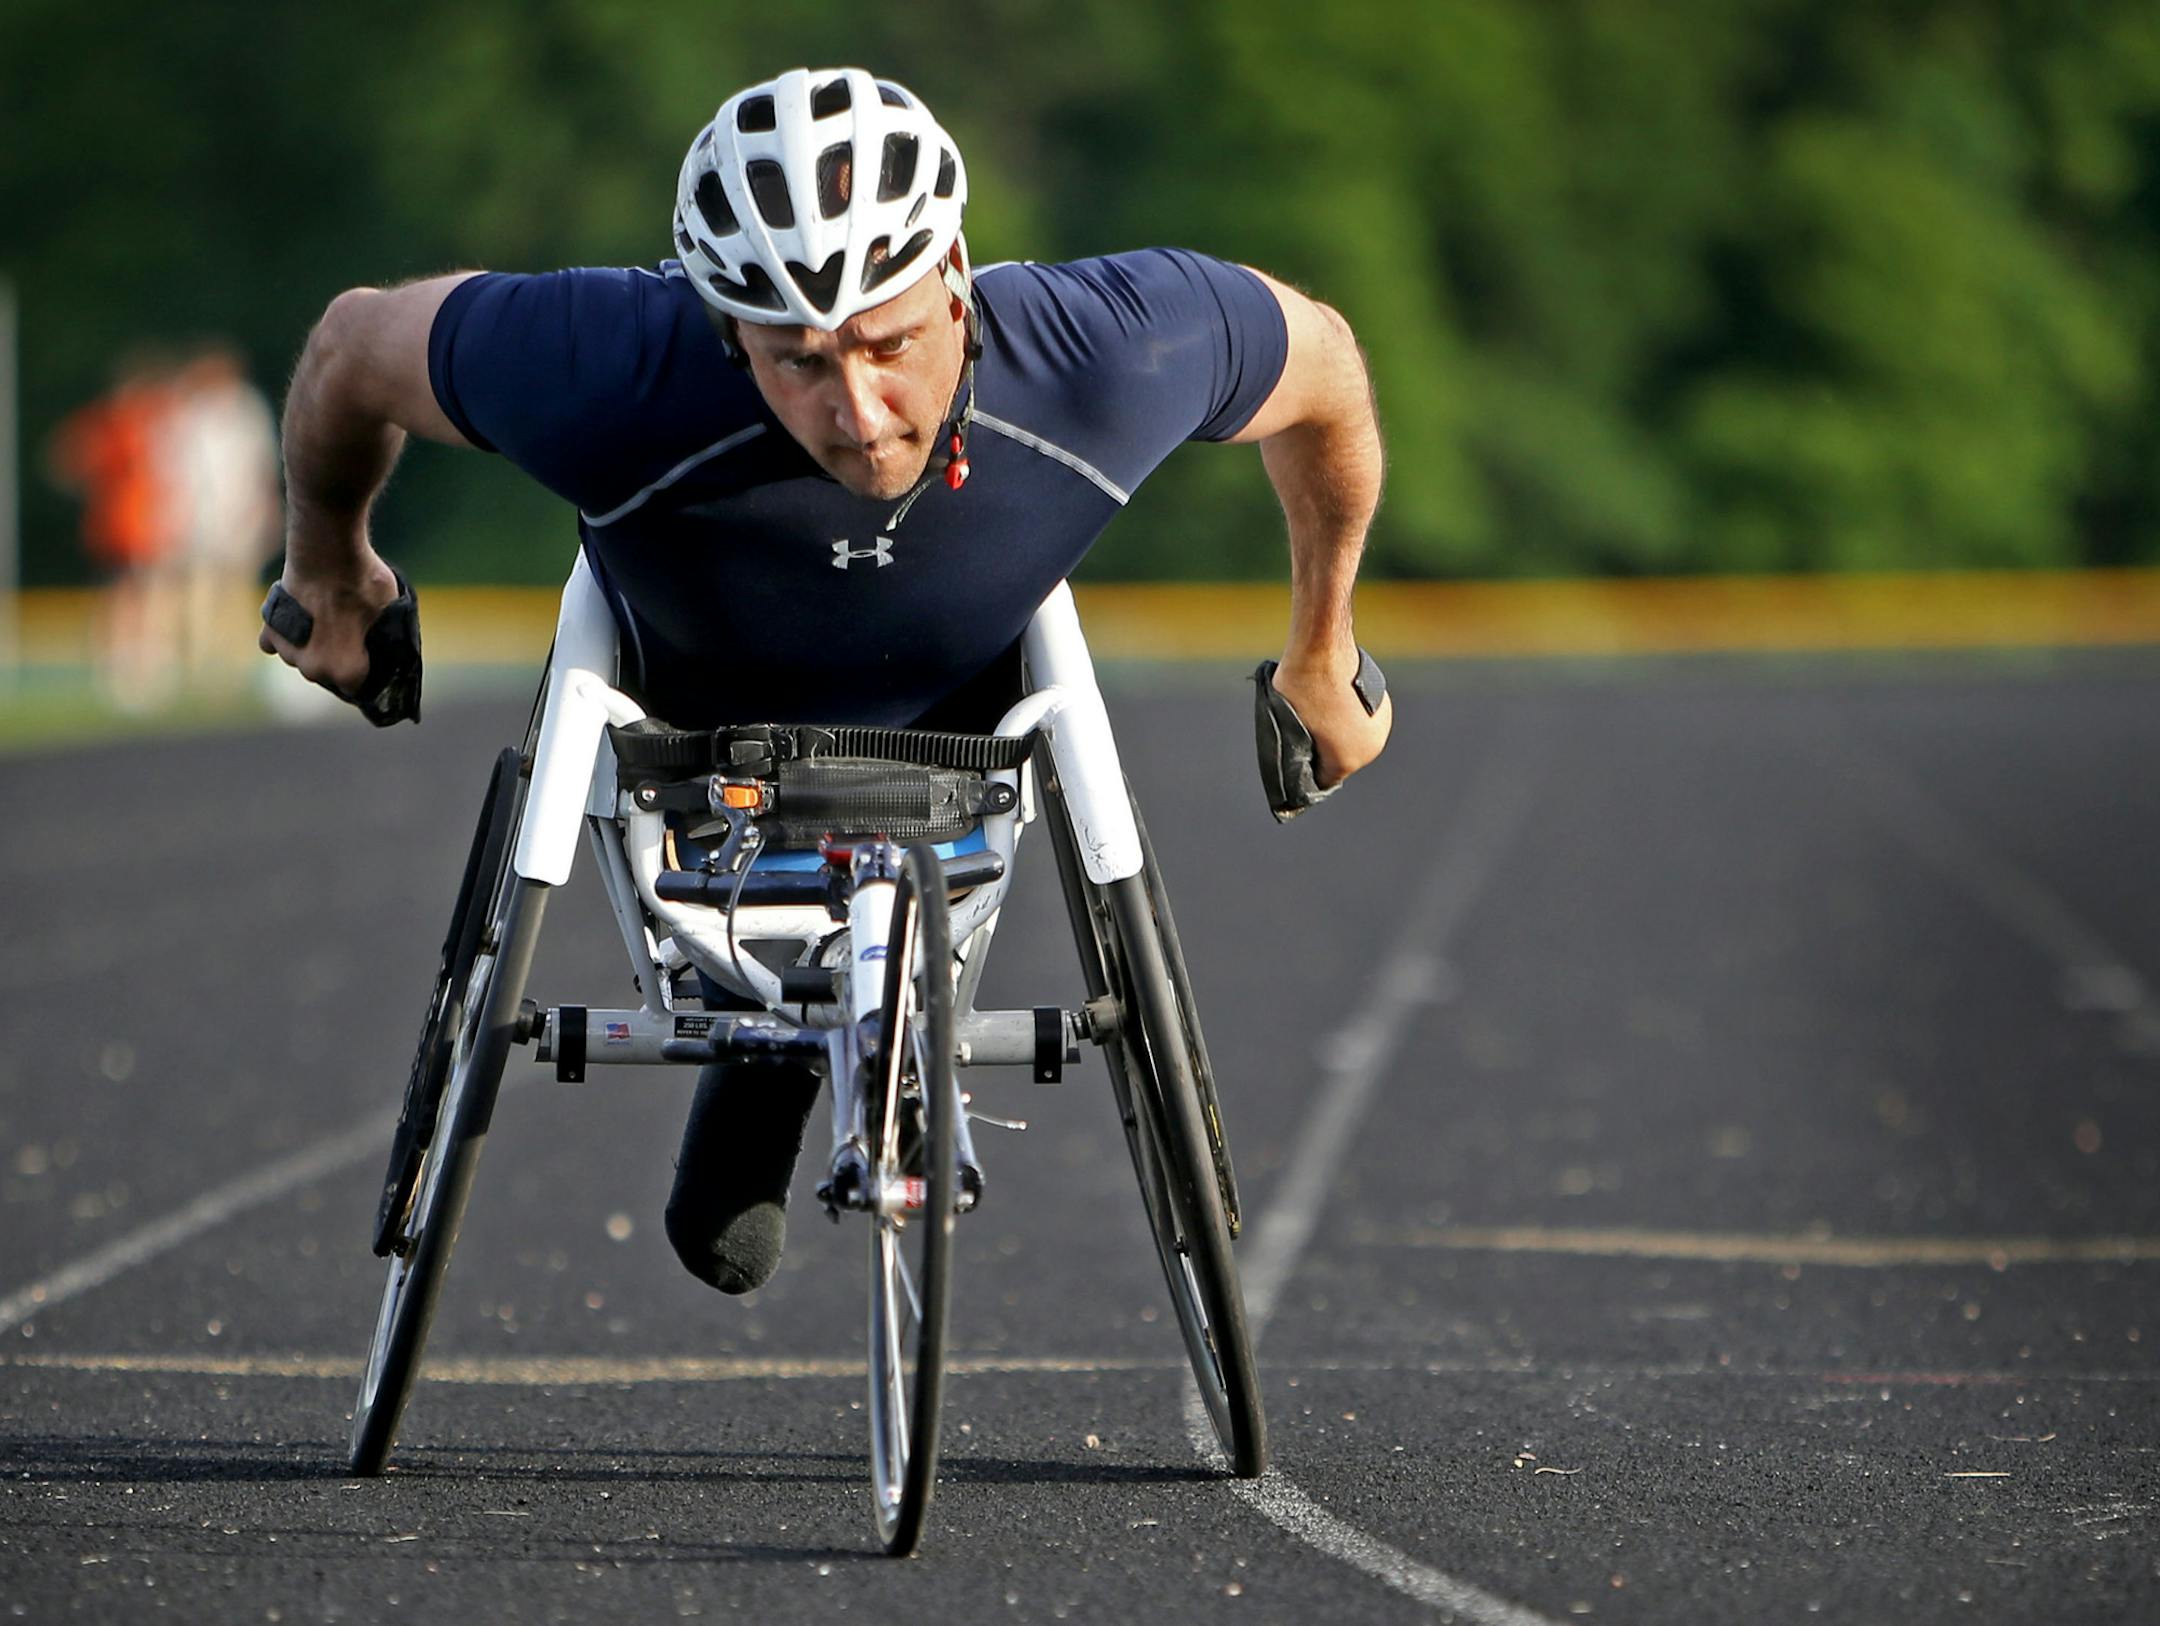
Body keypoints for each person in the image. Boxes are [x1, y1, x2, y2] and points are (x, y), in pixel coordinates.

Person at [259, 66, 1391, 1295]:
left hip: (961, 718)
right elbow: (348, 350)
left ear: (956, 278)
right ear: (724, 330)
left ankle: (785, 1051)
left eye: (889, 343)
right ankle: (779, 1046)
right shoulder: (604, 361)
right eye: (796, 361)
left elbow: (1324, 368)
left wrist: (1321, 650)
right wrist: (331, 569)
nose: (857, 412)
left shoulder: (1111, 347)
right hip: (696, 736)